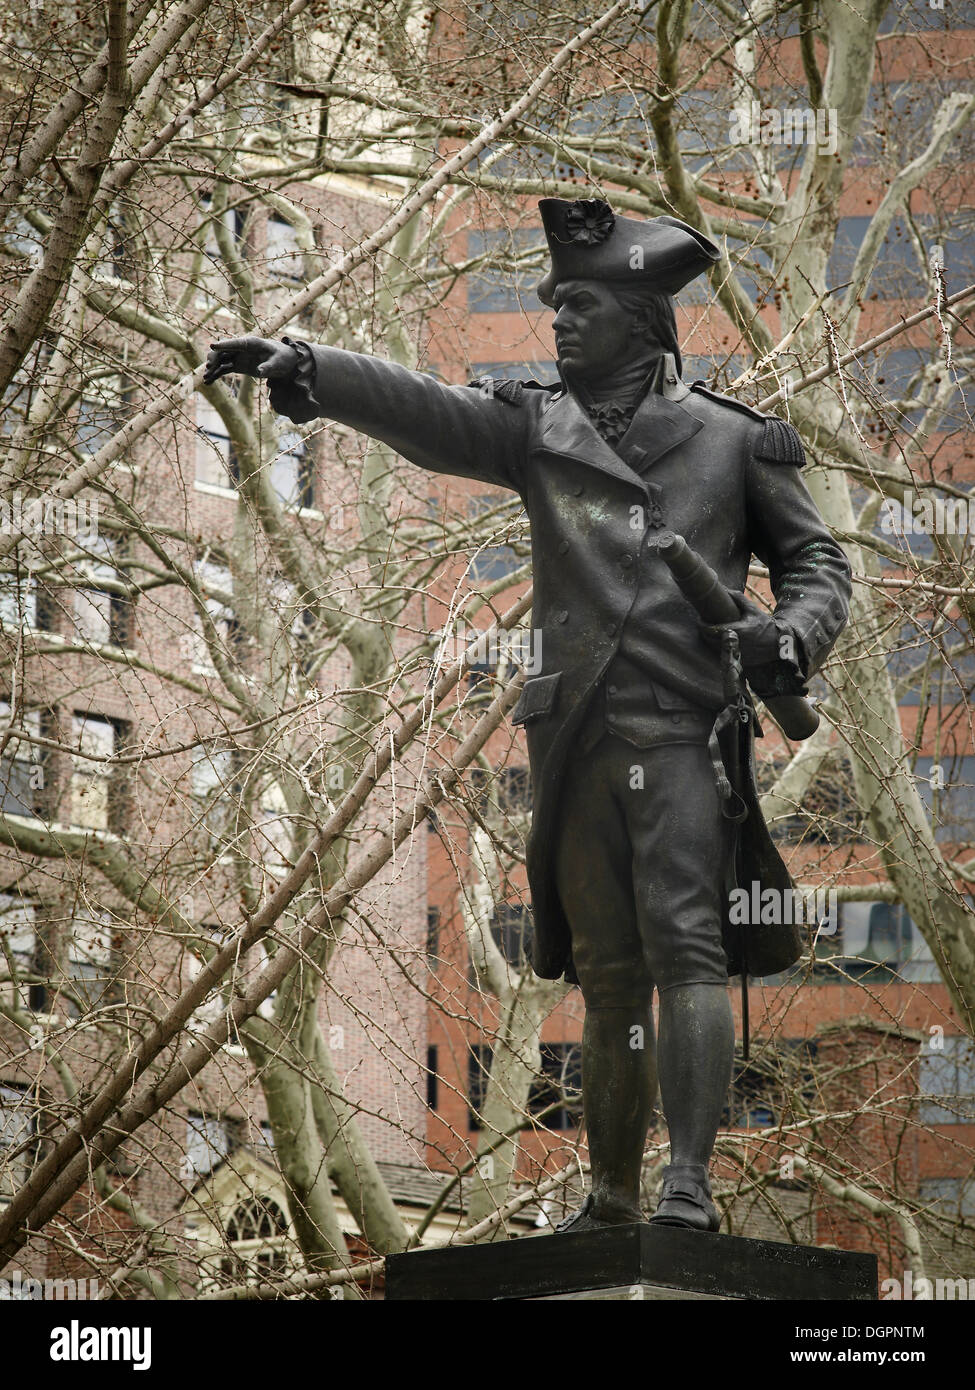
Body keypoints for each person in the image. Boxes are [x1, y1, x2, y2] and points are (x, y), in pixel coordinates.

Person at [204, 198, 851, 1233]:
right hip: (575, 740)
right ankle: (611, 1198)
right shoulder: (535, 423)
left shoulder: (736, 442)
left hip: (683, 734)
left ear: (642, 319)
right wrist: (310, 367)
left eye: (581, 303)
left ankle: (686, 1183)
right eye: (555, 304)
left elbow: (818, 563)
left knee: (686, 947)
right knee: (605, 975)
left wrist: (793, 634)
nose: (557, 320)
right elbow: (426, 410)